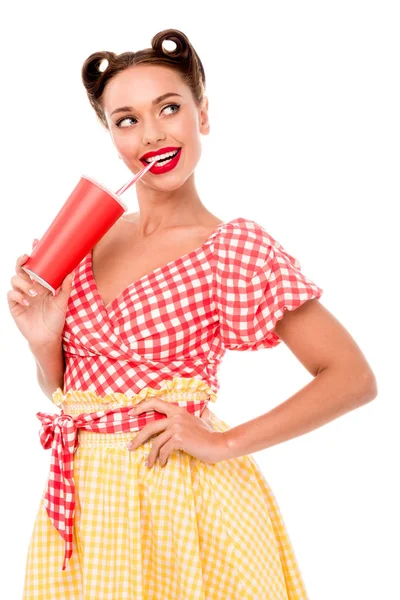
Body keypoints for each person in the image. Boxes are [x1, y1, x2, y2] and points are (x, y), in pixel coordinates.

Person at [8, 29, 377, 600]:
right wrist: (42, 342)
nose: (152, 133)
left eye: (170, 108)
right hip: (84, 505)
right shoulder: (83, 240)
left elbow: (352, 378)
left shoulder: (233, 250)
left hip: (184, 502)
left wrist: (222, 443)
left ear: (202, 116)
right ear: (111, 136)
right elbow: (67, 393)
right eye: (126, 119)